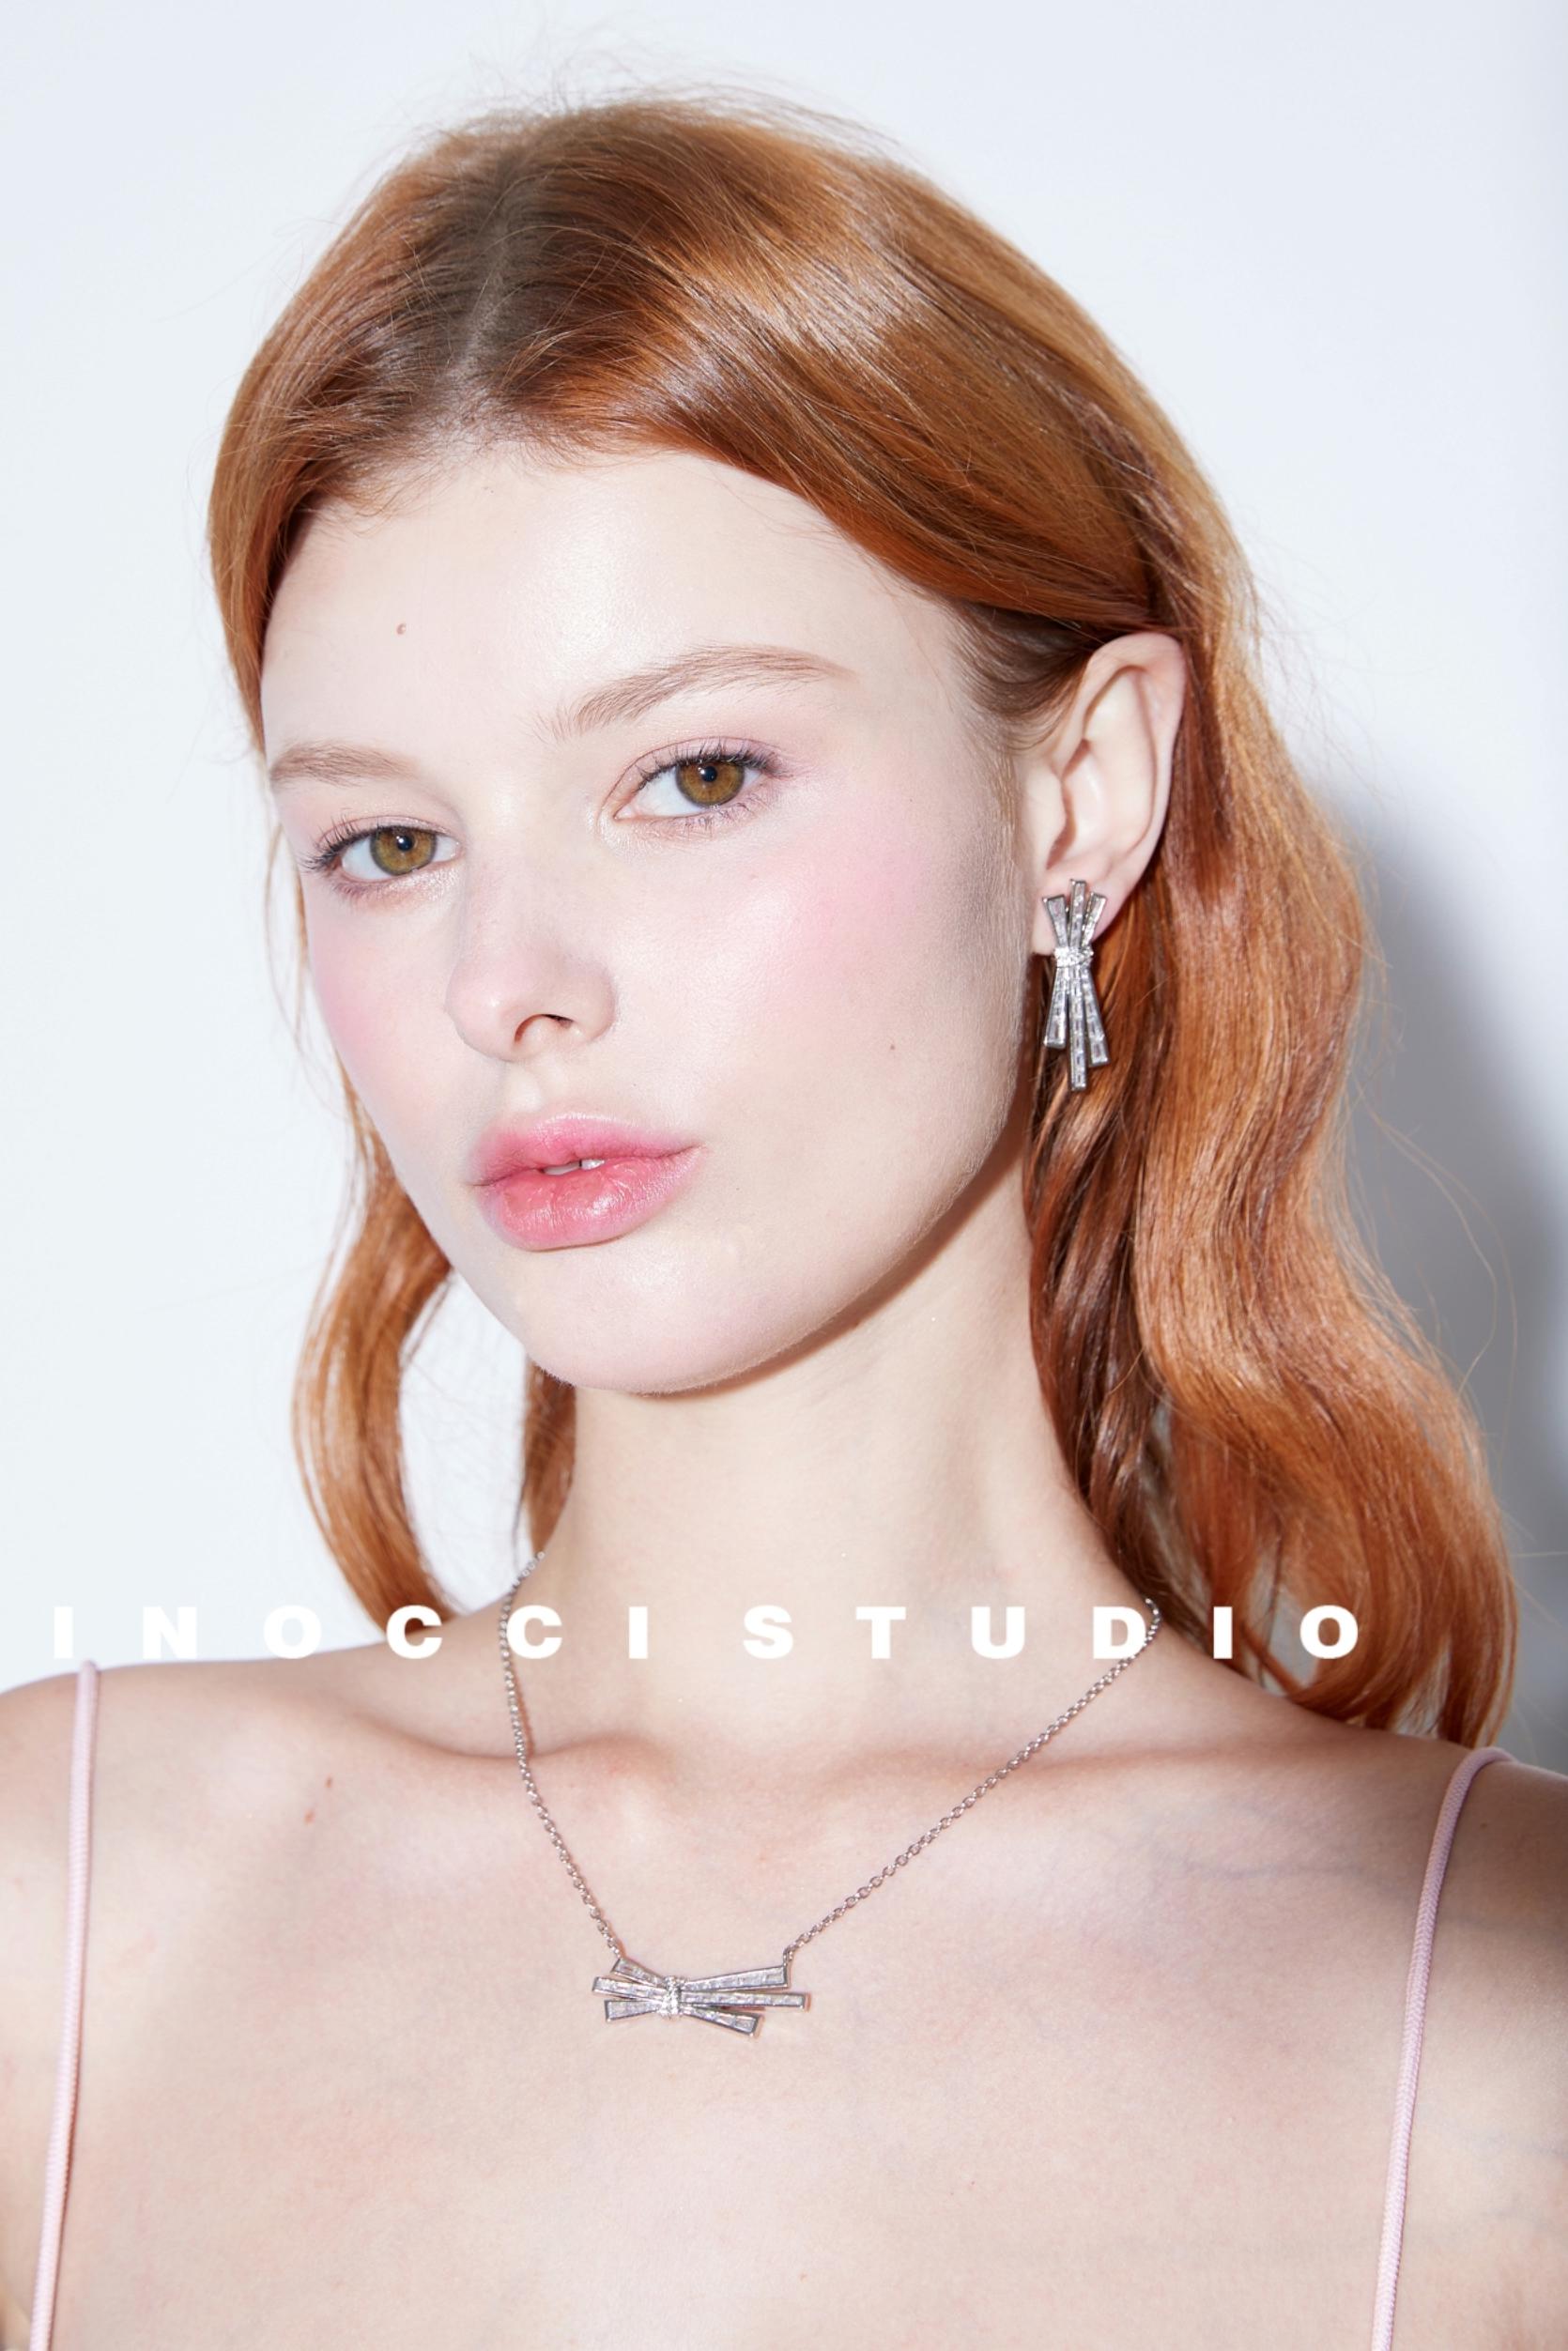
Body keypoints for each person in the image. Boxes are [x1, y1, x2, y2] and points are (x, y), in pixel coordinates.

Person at [3, 85, 1564, 2349]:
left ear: (1081, 789)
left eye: (695, 774)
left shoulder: (1499, 2014)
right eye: (387, 844)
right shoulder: (64, 1922)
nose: (504, 981)